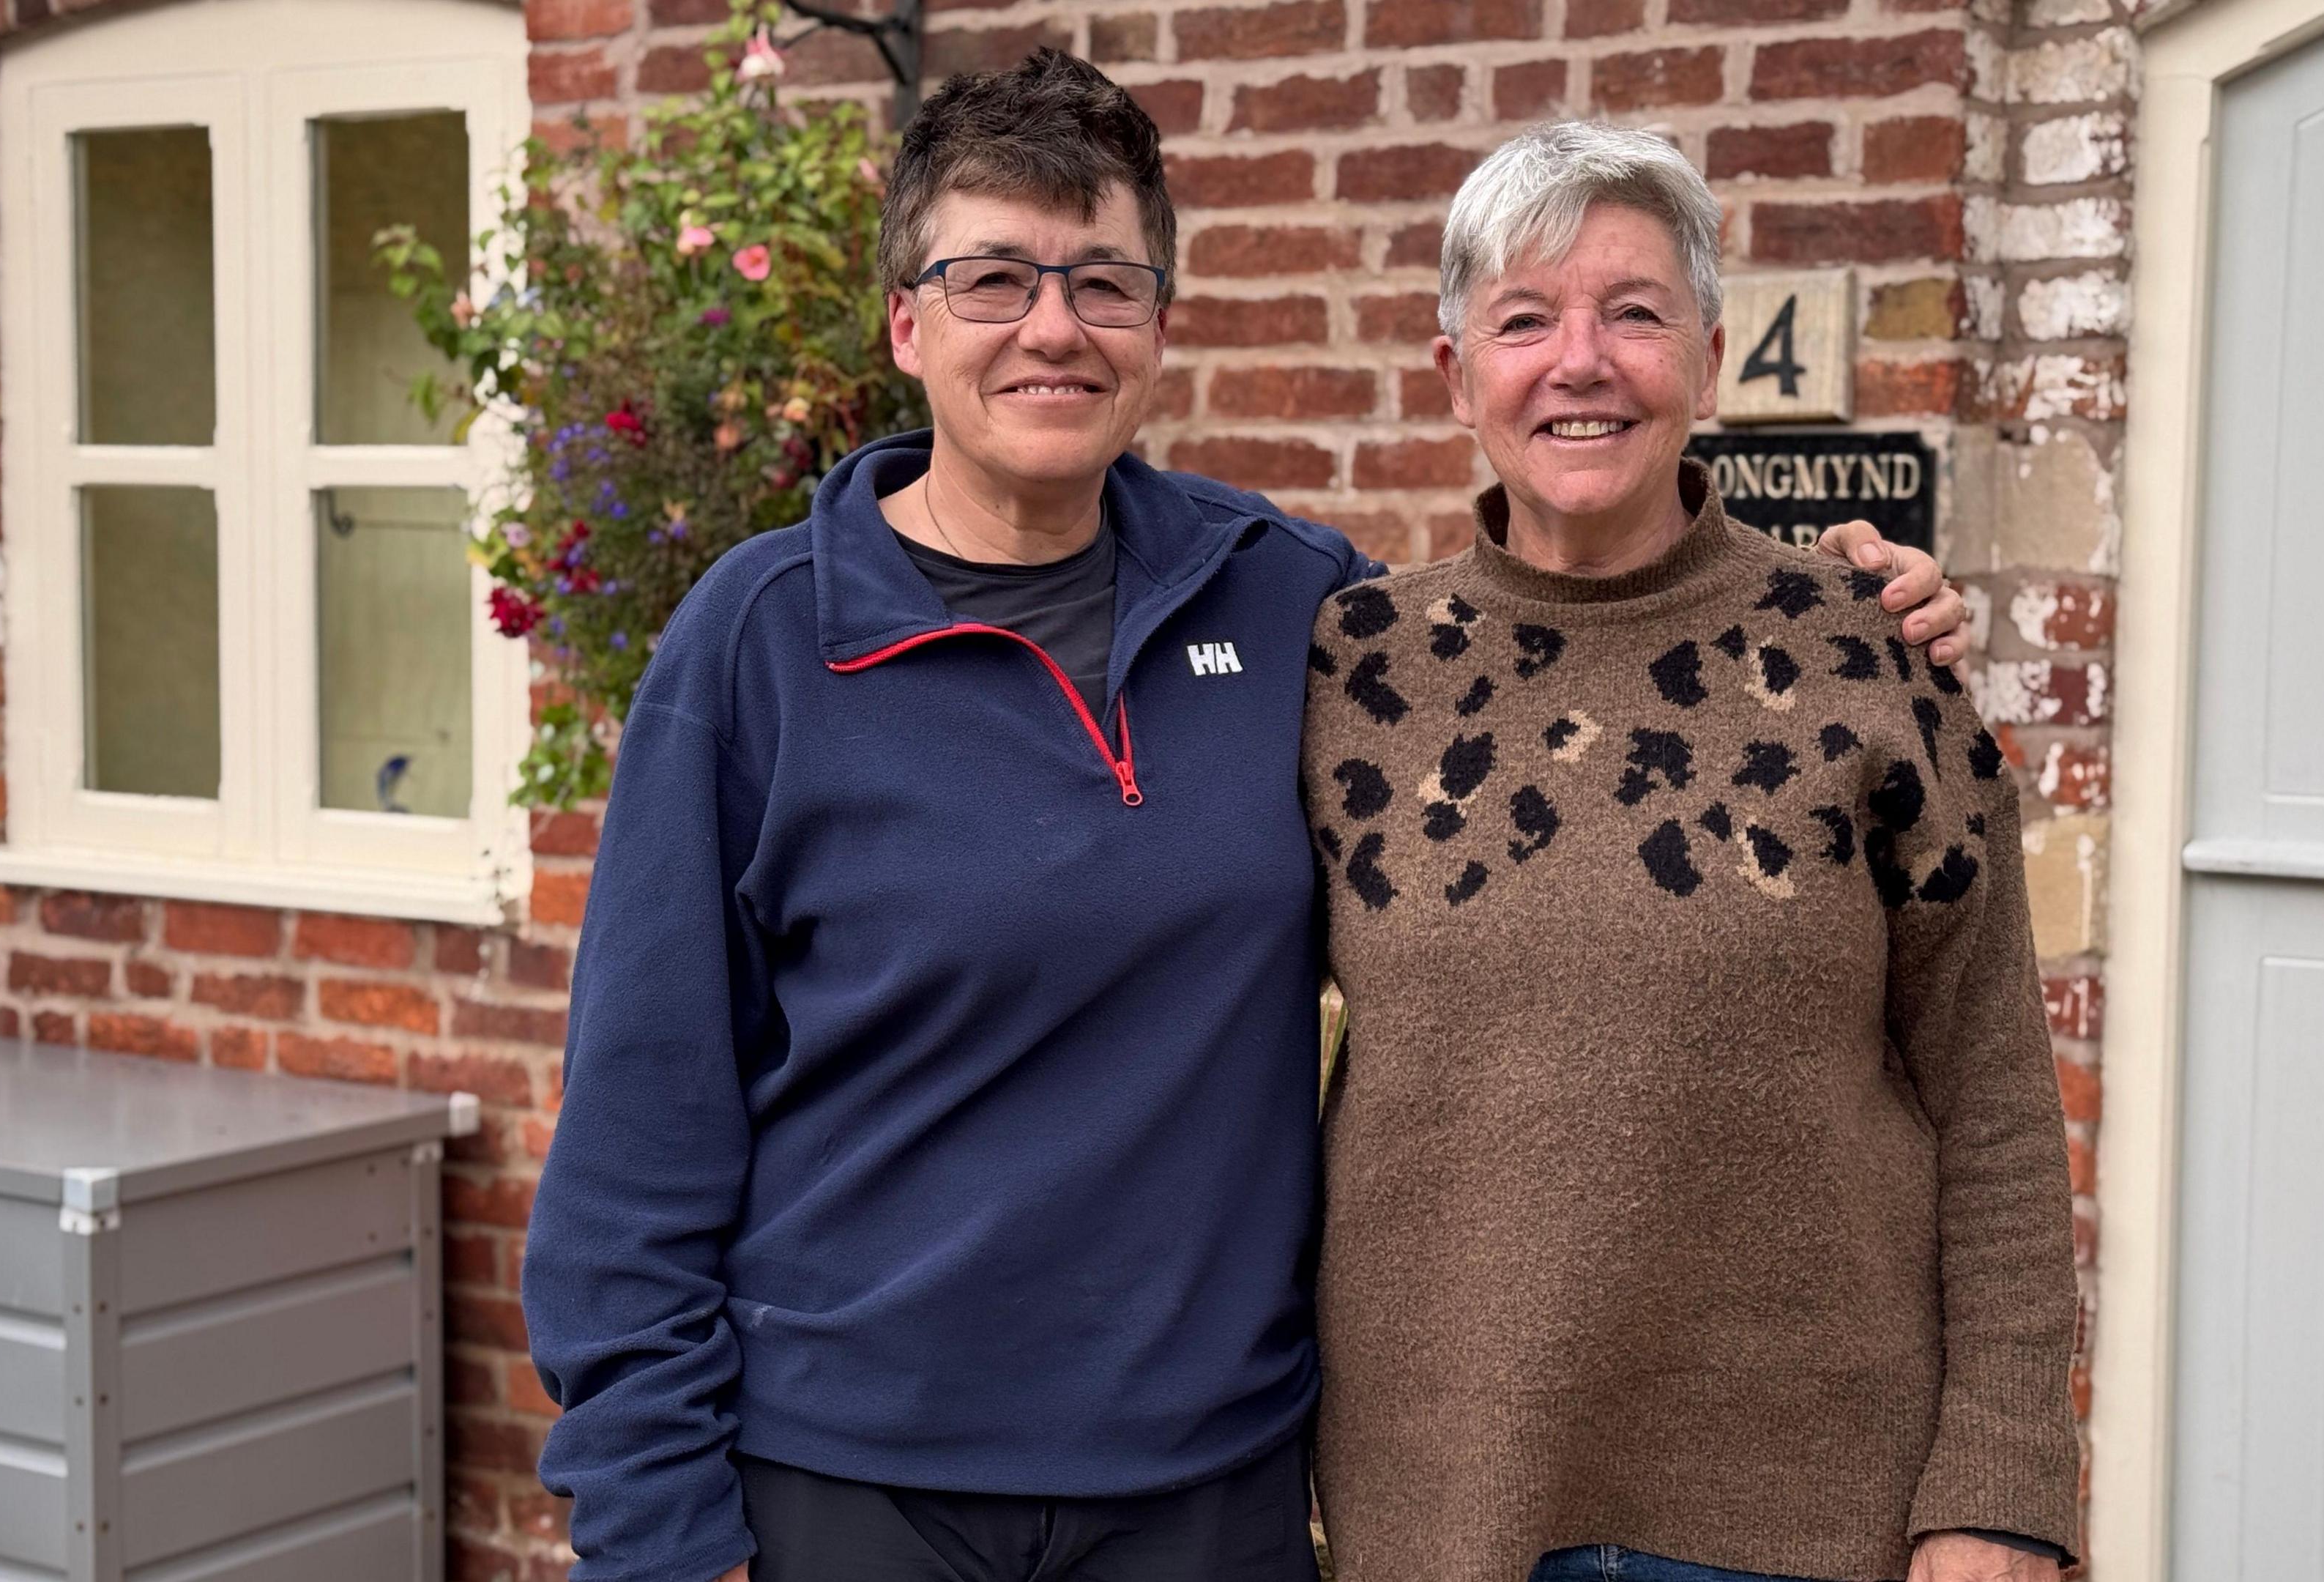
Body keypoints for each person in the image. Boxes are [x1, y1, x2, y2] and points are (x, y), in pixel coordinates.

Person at [524, 60, 1969, 1582]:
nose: (1052, 327)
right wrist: (657, 1534)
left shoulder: (1293, 603)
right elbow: (639, 1139)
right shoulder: (759, 644)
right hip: (851, 1484)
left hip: (1207, 1490)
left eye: (1103, 282)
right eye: (993, 279)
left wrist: (1848, 623)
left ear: (1161, 325)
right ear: (907, 324)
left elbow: (1565, 672)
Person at [1303, 122, 2081, 1582]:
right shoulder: (1354, 672)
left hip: (1811, 1514)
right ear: (1455, 376)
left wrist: (2008, 1484)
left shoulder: (1868, 651)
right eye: (1525, 320)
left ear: (1710, 361)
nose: (1582, 361)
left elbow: (1995, 1102)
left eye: (1636, 313)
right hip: (1441, 1509)